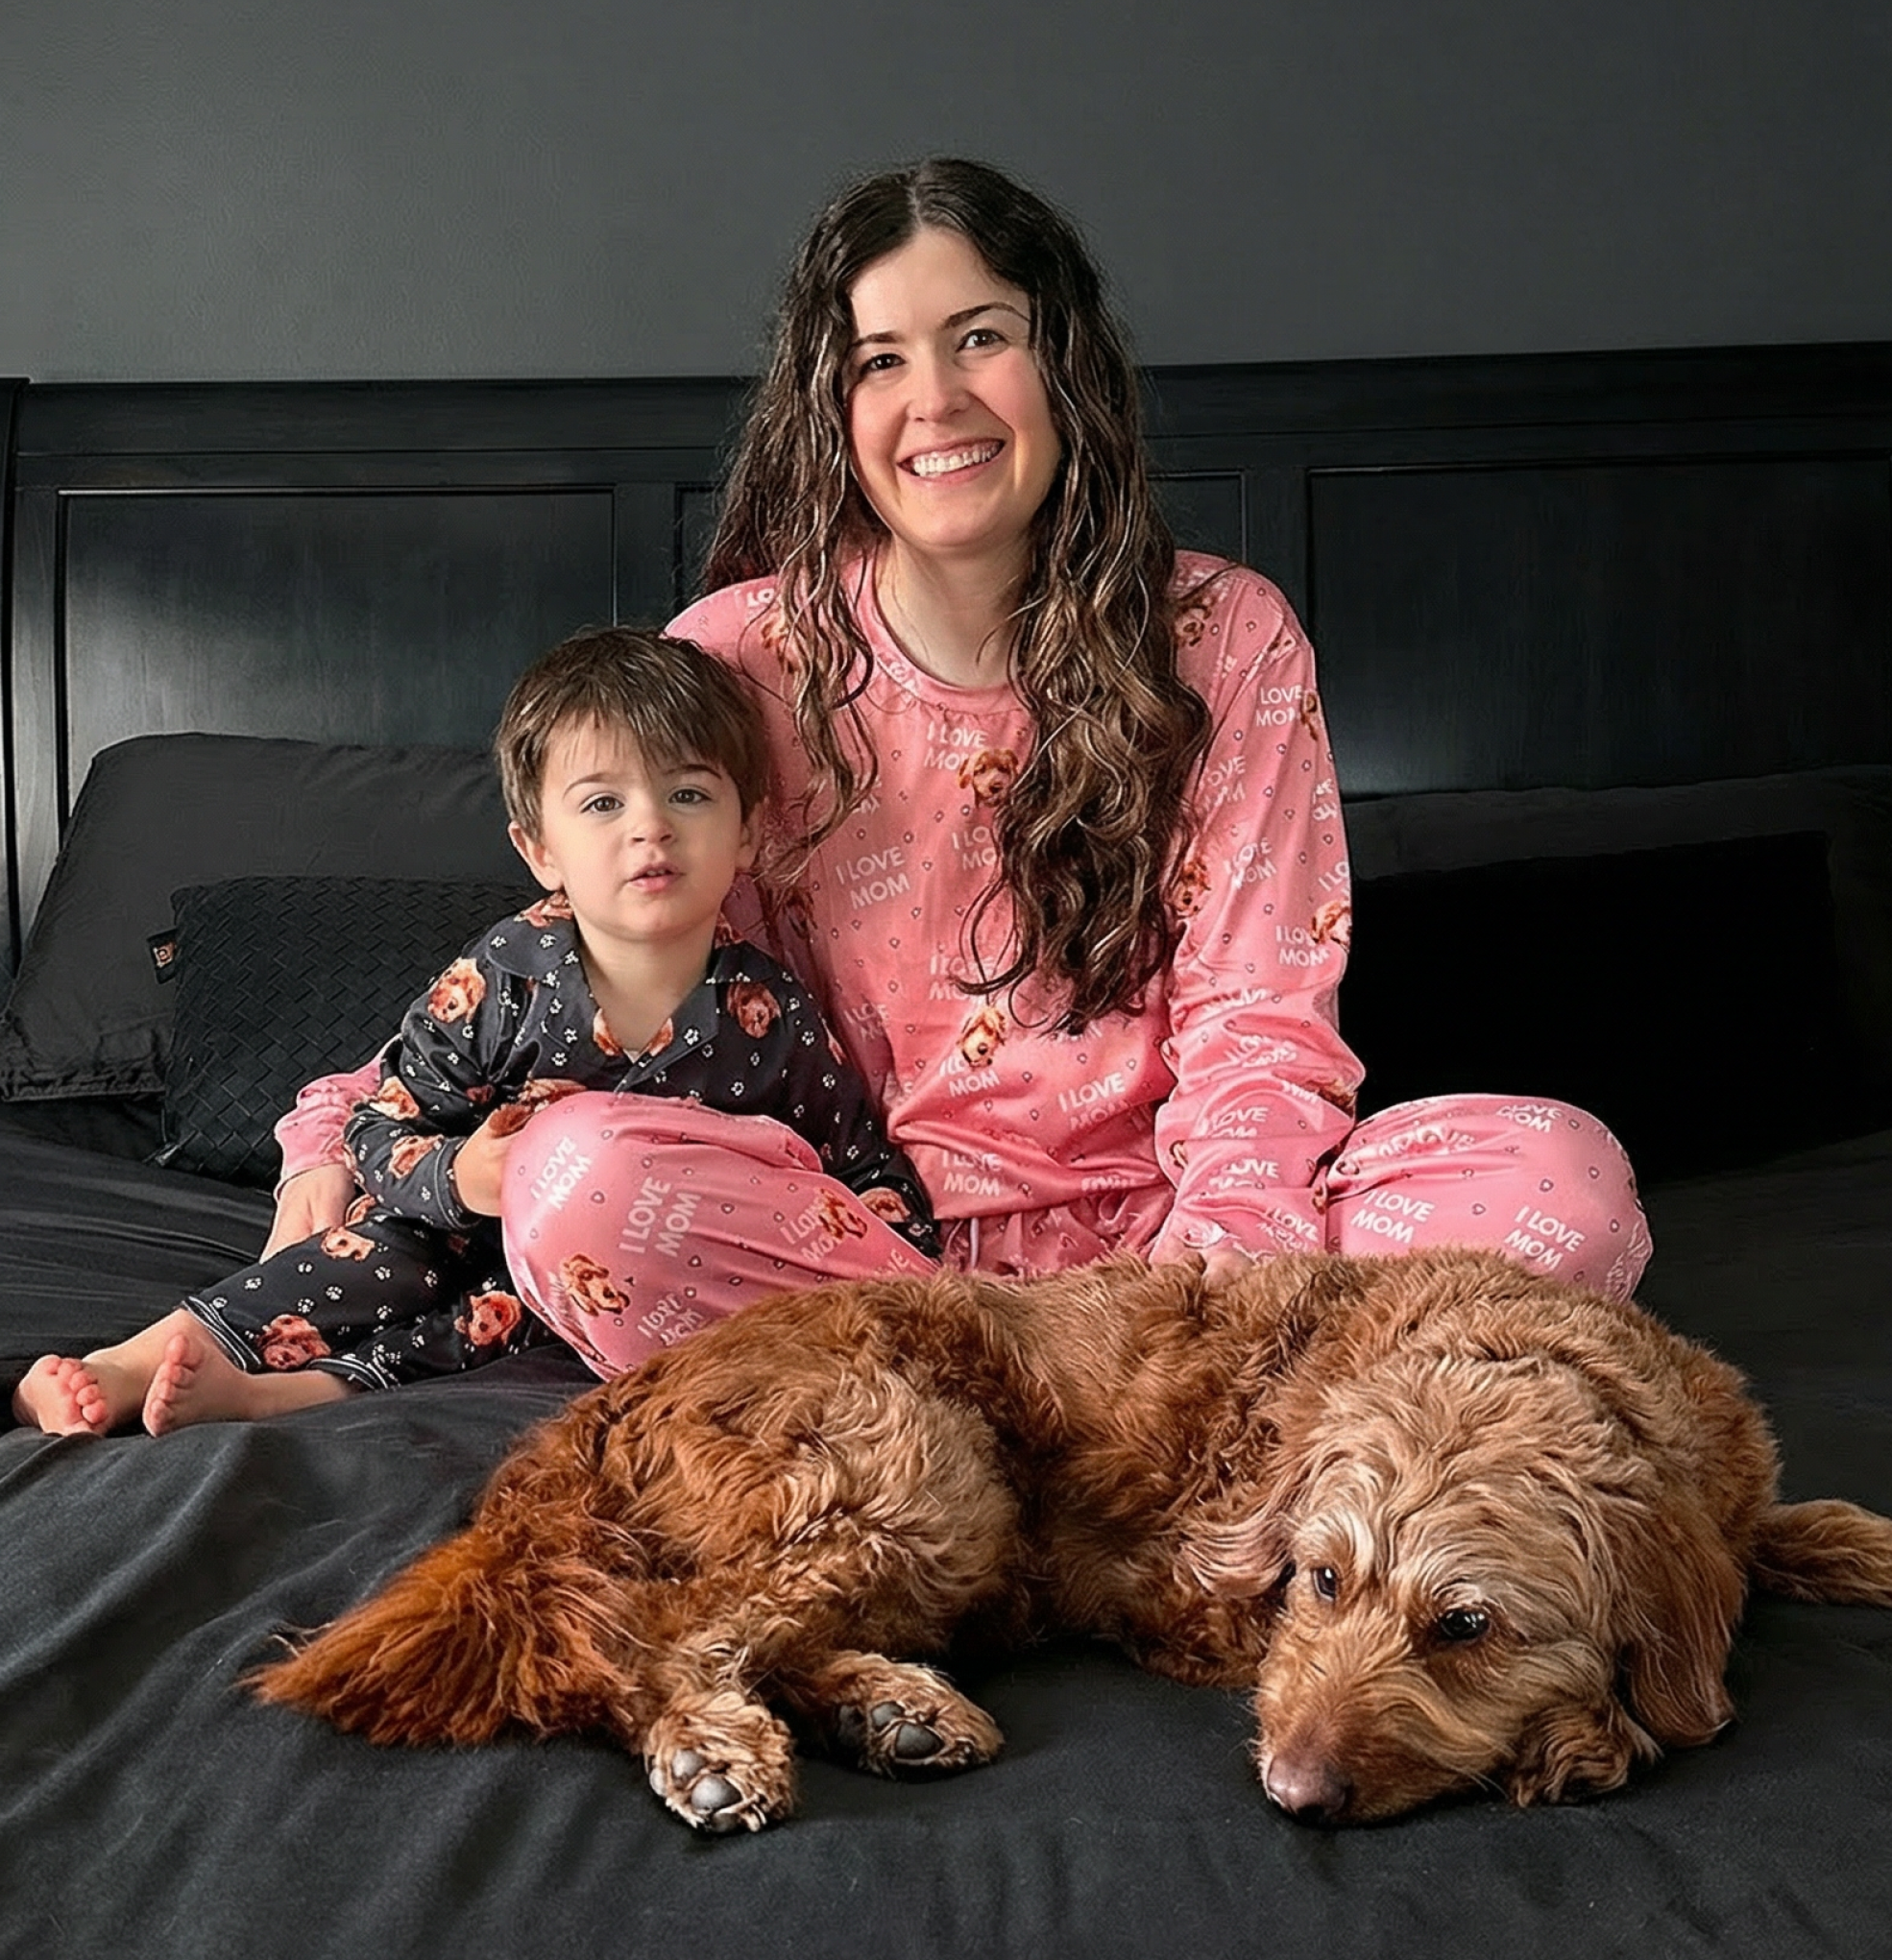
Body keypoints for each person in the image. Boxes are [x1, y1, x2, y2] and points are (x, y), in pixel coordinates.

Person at [257, 156, 1651, 1365]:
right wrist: (336, 1124)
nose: (936, 400)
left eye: (980, 337)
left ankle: (1071, 1426)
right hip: (863, 1258)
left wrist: (1211, 1298)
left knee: (1562, 1188)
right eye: (880, 360)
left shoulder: (1228, 639)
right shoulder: (744, 655)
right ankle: (1043, 1424)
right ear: (833, 404)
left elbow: (1261, 1019)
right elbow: (597, 952)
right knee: (580, 1184)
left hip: (1182, 1249)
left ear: (1063, 365)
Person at [12, 631, 937, 1437]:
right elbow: (378, 1126)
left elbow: (855, 1167)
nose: (650, 829)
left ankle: (273, 1402)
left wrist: (916, 1282)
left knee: (490, 1332)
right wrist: (460, 1177)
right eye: (603, 804)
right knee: (363, 1264)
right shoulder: (506, 974)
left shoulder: (767, 1013)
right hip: (454, 1226)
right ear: (540, 848)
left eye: (689, 797)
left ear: (745, 835)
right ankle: (135, 1361)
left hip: (612, 1277)